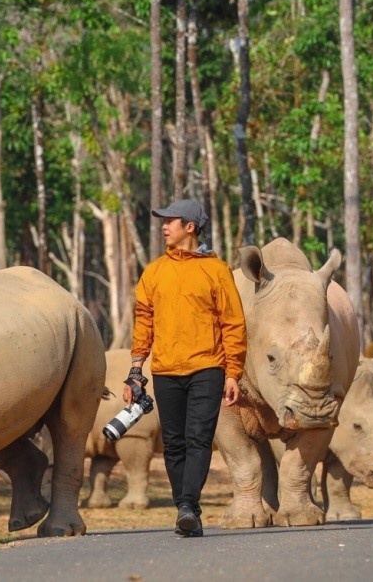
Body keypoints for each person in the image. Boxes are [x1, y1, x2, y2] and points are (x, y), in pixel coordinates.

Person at [126, 198, 247, 538]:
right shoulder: (154, 272)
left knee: (199, 439)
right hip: (165, 370)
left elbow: (233, 324)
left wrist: (233, 372)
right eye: (163, 221)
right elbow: (143, 321)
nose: (164, 226)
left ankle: (188, 505)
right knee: (175, 443)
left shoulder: (216, 271)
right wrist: (136, 368)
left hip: (207, 368)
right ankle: (187, 510)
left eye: (171, 221)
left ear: (189, 227)